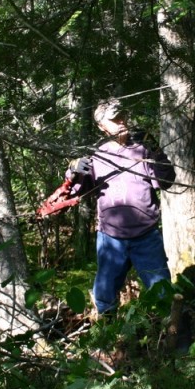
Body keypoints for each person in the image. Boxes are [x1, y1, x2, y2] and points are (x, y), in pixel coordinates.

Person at [66, 98, 175, 315]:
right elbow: (76, 189)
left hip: (146, 236)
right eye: (114, 120)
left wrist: (156, 150)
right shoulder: (97, 155)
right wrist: (73, 169)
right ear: (102, 127)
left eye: (122, 116)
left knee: (163, 293)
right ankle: (109, 339)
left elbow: (167, 181)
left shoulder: (143, 150)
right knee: (105, 295)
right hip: (110, 238)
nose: (121, 122)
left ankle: (176, 340)